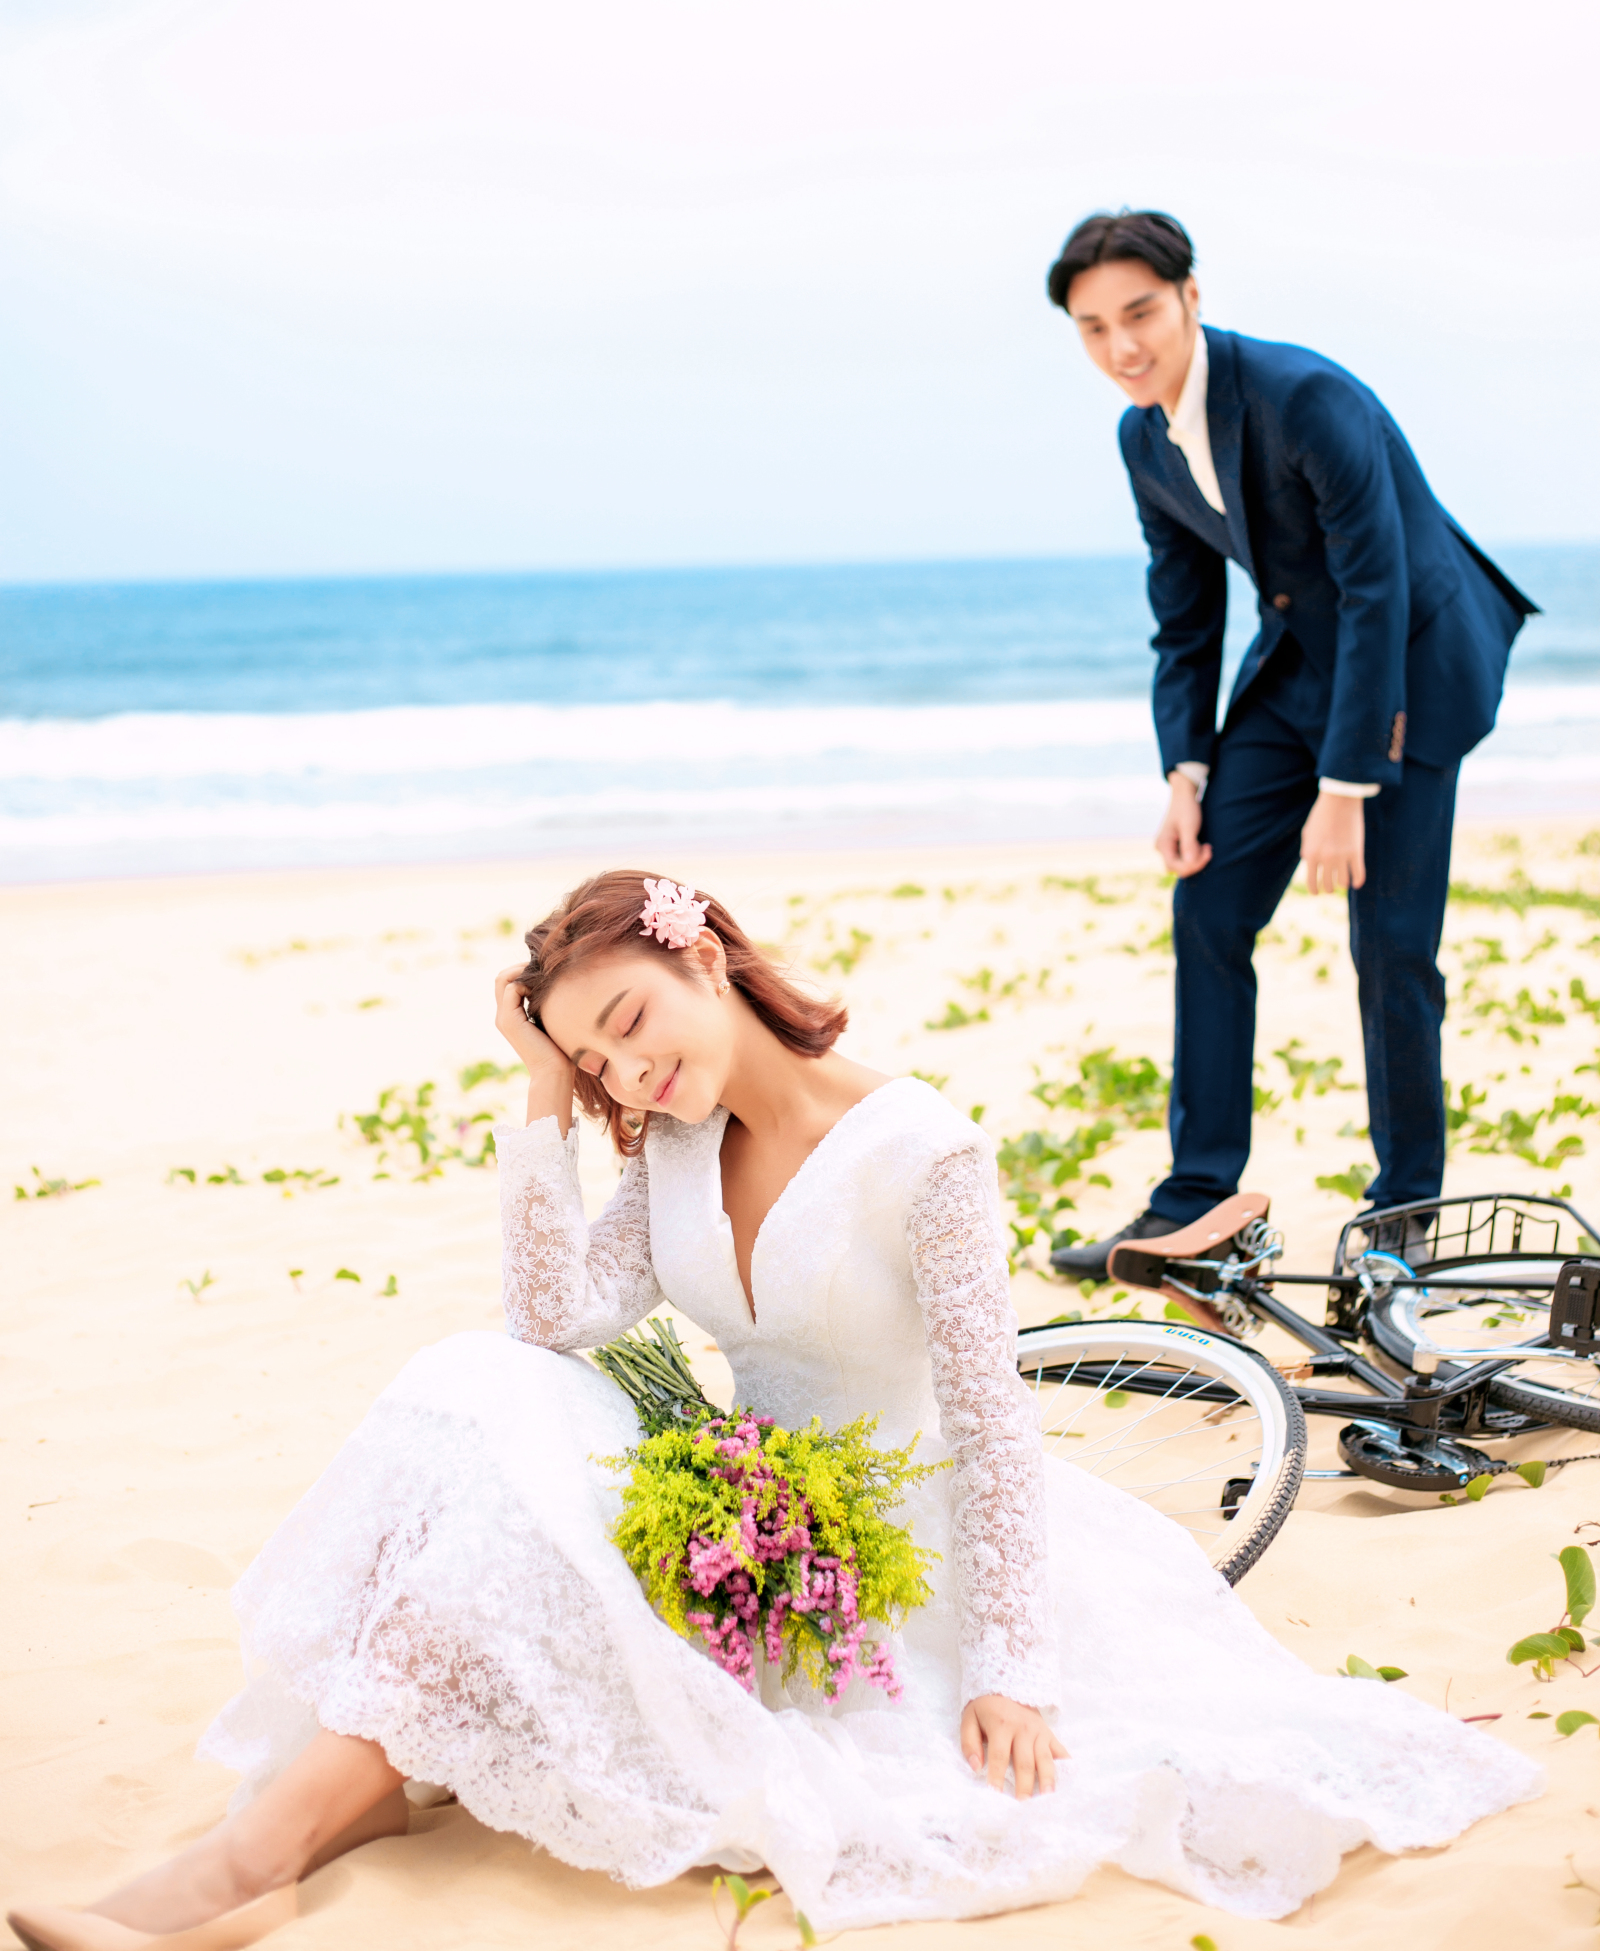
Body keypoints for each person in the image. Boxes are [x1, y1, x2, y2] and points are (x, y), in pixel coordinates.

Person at [8, 870, 1538, 1950]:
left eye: (630, 1019)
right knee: (481, 1394)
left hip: (881, 1550)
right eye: (596, 1055)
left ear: (709, 956)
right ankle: (280, 1840)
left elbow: (993, 1427)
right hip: (729, 1497)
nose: (631, 1068)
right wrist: (543, 1093)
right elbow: (547, 1325)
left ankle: (265, 1849)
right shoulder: (670, 1147)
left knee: (520, 1540)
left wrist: (1012, 1674)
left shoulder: (922, 1153)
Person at [1045, 211, 1536, 1281]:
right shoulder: (1141, 438)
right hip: (1296, 667)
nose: (1122, 346)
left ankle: (1405, 1213)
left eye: (1139, 313)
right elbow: (1184, 618)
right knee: (1209, 906)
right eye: (1093, 328)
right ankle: (1194, 1199)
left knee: (1390, 944)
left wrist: (1346, 786)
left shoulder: (1303, 396)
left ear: (1190, 297)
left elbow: (1376, 590)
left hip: (1412, 661)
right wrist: (1186, 774)